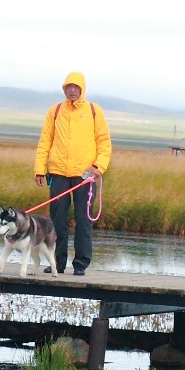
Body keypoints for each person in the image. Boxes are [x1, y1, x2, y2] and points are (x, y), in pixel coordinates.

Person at [33, 71, 111, 275]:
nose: (72, 90)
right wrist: (40, 169)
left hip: (85, 175)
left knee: (83, 219)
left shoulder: (94, 111)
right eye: (69, 87)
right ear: (64, 89)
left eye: (76, 87)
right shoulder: (56, 111)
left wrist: (98, 167)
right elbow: (45, 142)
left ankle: (80, 264)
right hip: (58, 173)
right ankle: (57, 262)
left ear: (82, 89)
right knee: (57, 221)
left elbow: (104, 142)